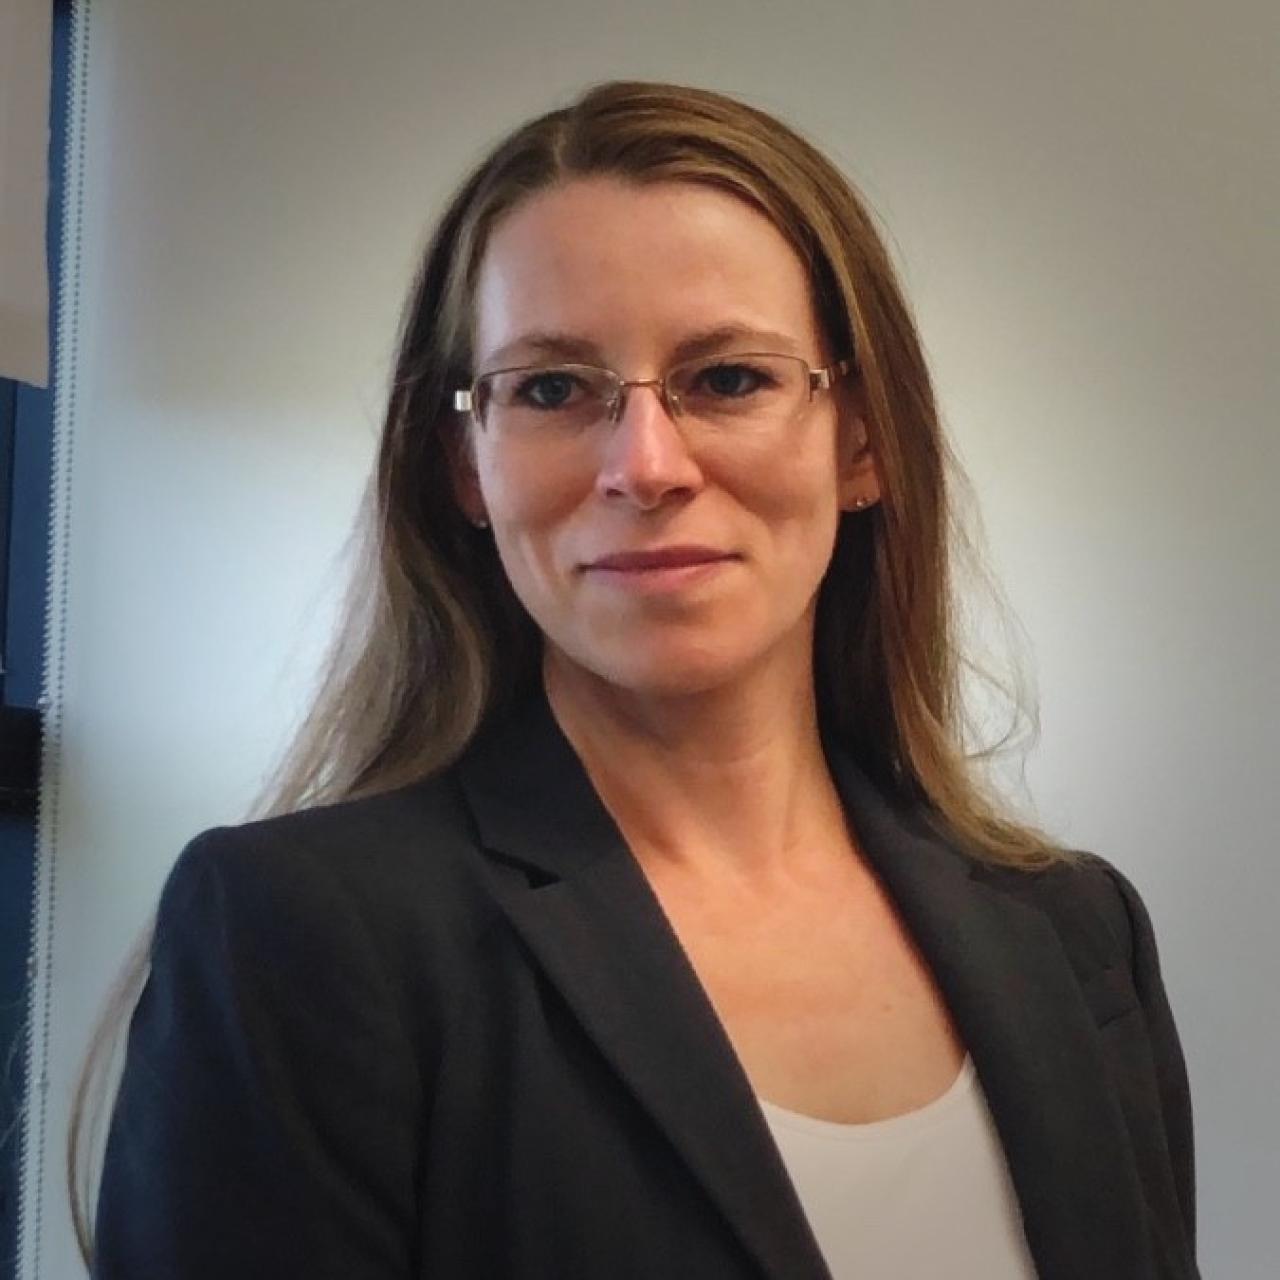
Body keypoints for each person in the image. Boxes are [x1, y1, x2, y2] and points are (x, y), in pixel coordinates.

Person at [74, 80, 1197, 1279]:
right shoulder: (297, 937)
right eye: (552, 388)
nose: (645, 464)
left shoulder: (1075, 933)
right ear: (467, 464)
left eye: (726, 379)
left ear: (859, 438)